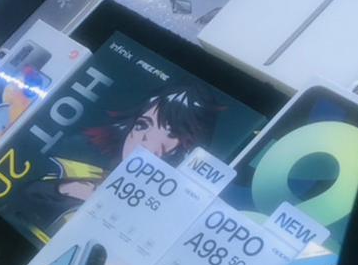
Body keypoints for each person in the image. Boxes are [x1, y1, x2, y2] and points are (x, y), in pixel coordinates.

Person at [17, 82, 221, 242]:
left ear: (187, 149)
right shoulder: (74, 169)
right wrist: (65, 189)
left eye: (171, 134)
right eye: (142, 125)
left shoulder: (166, 221)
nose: (145, 141)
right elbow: (20, 204)